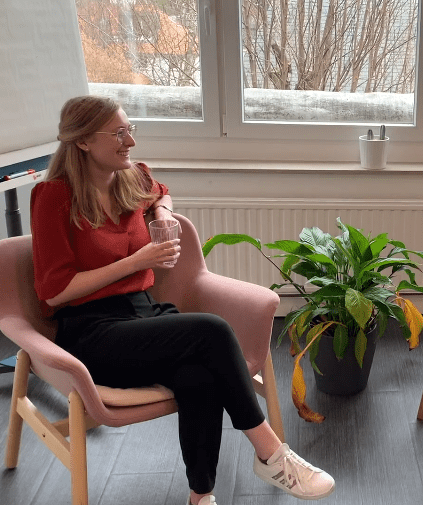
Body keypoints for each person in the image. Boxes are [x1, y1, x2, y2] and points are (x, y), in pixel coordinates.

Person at [31, 96, 335, 505]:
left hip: (144, 314)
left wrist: (162, 214)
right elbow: (55, 290)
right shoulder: (53, 196)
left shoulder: (131, 177)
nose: (130, 142)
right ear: (83, 141)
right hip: (92, 330)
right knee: (211, 329)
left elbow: (161, 193)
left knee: (199, 377)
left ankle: (200, 497)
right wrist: (136, 262)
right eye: (118, 134)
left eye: (130, 130)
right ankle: (270, 453)